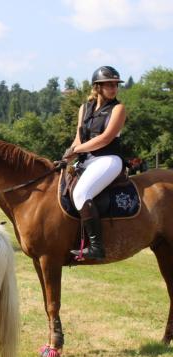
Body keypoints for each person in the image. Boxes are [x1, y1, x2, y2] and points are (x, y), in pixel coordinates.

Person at [63, 66, 127, 261]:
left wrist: (76, 150)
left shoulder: (118, 109)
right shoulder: (84, 109)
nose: (114, 88)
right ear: (97, 87)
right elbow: (78, 139)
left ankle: (96, 247)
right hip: (86, 160)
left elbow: (105, 139)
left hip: (109, 159)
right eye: (109, 84)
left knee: (81, 192)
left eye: (115, 84)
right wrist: (66, 157)